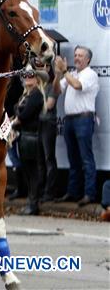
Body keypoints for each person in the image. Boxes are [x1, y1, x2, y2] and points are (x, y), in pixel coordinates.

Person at [54, 46, 99, 206]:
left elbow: (78, 86)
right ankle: (73, 192)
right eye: (75, 55)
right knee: (73, 159)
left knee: (86, 159)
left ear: (88, 59)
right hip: (70, 120)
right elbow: (56, 90)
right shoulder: (71, 73)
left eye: (80, 55)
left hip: (83, 120)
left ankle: (89, 194)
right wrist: (58, 74)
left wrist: (64, 71)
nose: (77, 58)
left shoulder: (90, 74)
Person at [12, 74, 44, 215]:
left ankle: (33, 204)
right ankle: (31, 202)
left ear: (37, 80)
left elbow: (25, 115)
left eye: (31, 76)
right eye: (25, 76)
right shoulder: (26, 95)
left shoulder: (36, 95)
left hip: (32, 136)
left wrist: (13, 123)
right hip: (24, 135)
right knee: (28, 171)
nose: (27, 78)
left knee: (33, 172)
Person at [37, 66, 61, 202]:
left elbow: (50, 105)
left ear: (48, 69)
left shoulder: (52, 86)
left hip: (48, 124)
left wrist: (34, 102)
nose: (41, 69)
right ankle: (40, 190)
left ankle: (50, 191)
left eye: (44, 67)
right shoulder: (36, 86)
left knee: (48, 158)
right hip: (37, 123)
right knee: (40, 159)